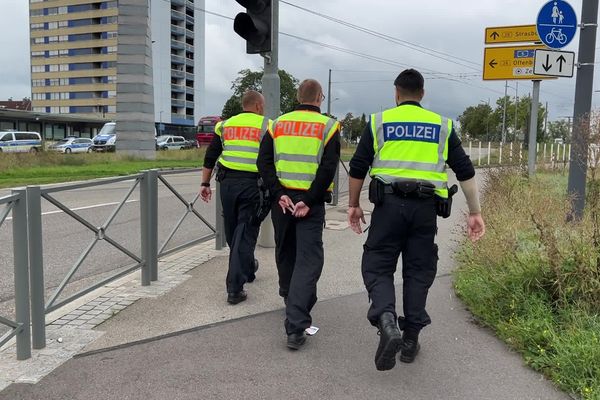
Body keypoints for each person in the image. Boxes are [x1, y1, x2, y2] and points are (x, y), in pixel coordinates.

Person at [347, 69, 485, 371]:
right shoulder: (442, 125)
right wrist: (475, 212)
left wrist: (353, 205)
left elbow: (357, 166)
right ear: (422, 94)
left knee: (378, 264)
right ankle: (409, 341)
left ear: (396, 93)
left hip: (388, 207)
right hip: (424, 211)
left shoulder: (379, 121)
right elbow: (465, 171)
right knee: (418, 271)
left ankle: (386, 320)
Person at [257, 79, 341, 350]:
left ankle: (289, 297)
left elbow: (264, 162)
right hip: (310, 203)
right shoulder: (328, 126)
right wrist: (309, 199)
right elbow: (328, 169)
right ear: (320, 98)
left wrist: (277, 192)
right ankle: (296, 326)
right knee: (308, 259)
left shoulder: (276, 124)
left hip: (281, 201)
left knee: (286, 251)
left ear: (298, 96)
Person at [200, 90, 271, 305]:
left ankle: (248, 268)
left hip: (227, 185)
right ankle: (234, 288)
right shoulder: (267, 125)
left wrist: (205, 183)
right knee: (245, 232)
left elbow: (211, 155)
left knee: (234, 232)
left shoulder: (225, 125)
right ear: (258, 106)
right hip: (254, 186)